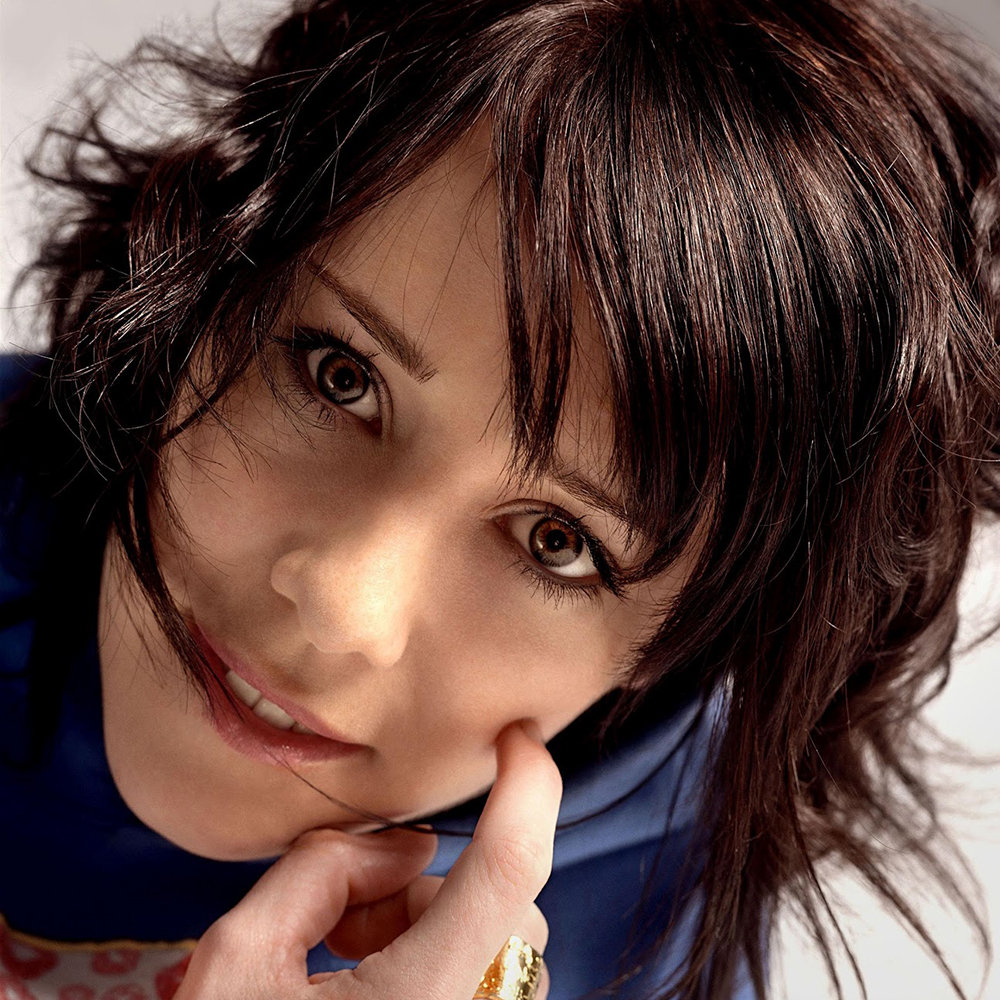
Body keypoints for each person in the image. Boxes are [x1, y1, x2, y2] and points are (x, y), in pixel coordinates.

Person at [1, 0, 998, 998]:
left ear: (680, 644)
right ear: (205, 281)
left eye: (558, 540)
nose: (342, 605)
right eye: (340, 376)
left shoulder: (654, 891)